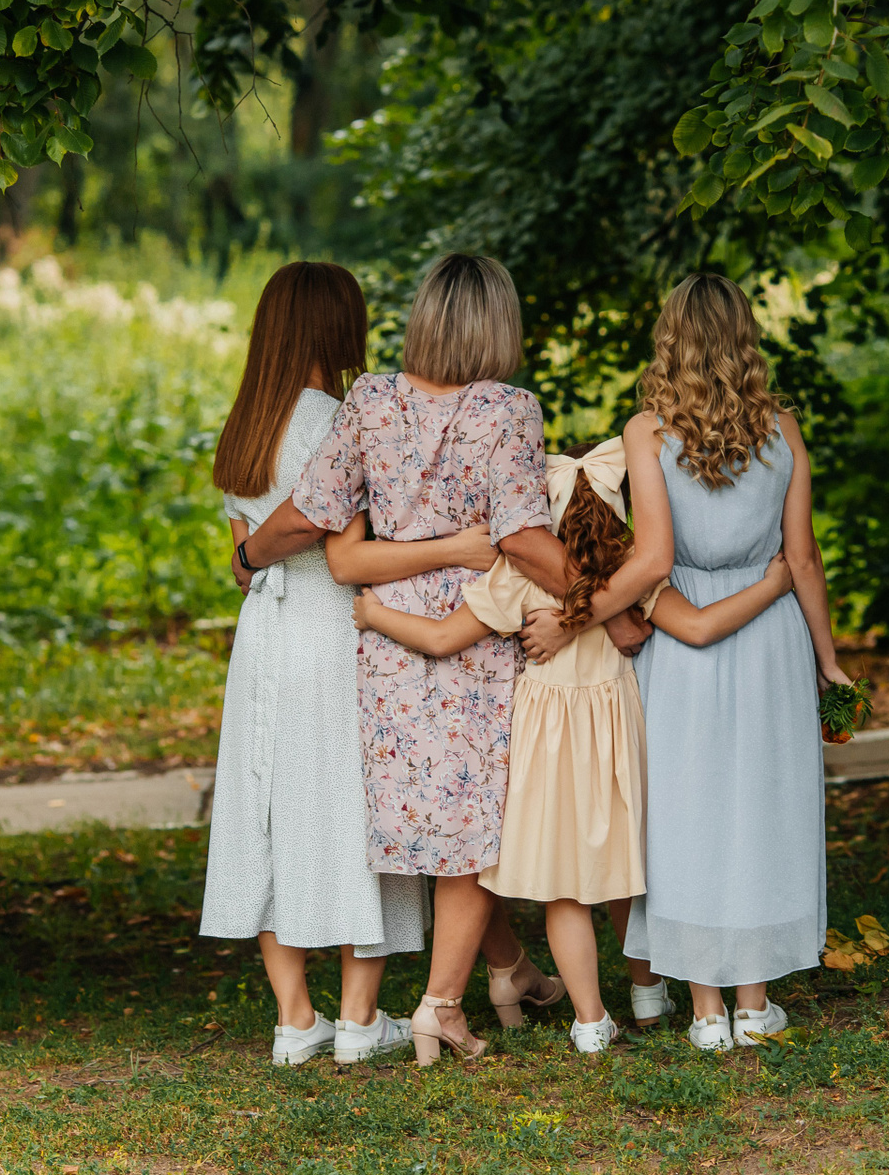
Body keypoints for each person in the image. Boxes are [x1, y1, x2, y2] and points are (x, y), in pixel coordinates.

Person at [236, 252, 652, 1066]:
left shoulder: (369, 399)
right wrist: (608, 604)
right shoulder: (509, 408)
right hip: (475, 632)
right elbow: (522, 537)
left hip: (388, 642)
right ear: (499, 326)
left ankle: (478, 985)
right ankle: (441, 1004)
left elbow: (314, 512)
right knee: (479, 830)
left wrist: (249, 554)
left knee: (424, 820)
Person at [348, 437, 797, 1054]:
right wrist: (773, 586)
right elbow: (693, 627)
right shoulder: (629, 574)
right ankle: (648, 993)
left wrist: (375, 616)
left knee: (565, 886)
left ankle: (589, 1021)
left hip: (547, 740)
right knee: (631, 868)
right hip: (617, 736)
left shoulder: (517, 577)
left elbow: (443, 638)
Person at [520, 272, 853, 1051]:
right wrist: (828, 661)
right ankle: (754, 1004)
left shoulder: (647, 432)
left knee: (686, 811)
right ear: (746, 338)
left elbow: (653, 556)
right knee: (763, 807)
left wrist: (573, 620)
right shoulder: (783, 428)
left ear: (669, 339)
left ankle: (706, 1010)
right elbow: (802, 558)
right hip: (769, 631)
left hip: (681, 630)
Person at [198, 260, 499, 1066]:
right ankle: (360, 1016)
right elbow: (335, 538)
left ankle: (296, 1017)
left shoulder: (245, 425)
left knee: (270, 808)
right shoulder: (343, 416)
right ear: (336, 327)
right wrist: (457, 547)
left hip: (263, 634)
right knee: (354, 808)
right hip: (335, 627)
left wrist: (253, 556)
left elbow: (241, 554)